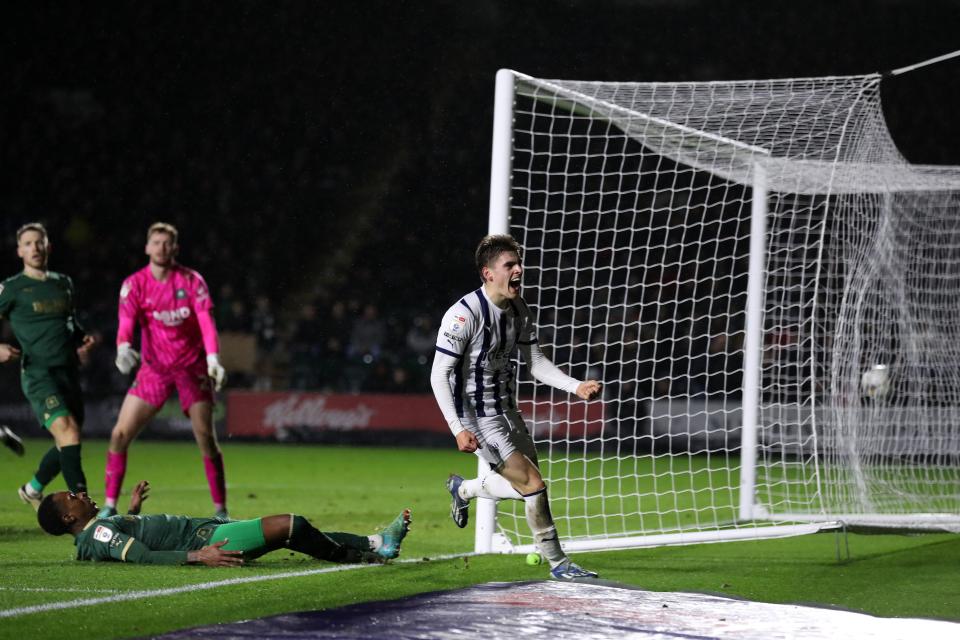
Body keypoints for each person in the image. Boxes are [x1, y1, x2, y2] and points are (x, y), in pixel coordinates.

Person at [430, 234, 603, 581]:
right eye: (510, 265)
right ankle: (558, 563)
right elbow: (439, 375)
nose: (519, 270)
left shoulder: (519, 309)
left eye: (519, 263)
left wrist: (576, 386)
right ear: (488, 273)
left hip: (509, 411)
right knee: (533, 485)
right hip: (477, 418)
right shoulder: (463, 316)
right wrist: (457, 428)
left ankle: (464, 489)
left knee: (531, 489)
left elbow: (535, 362)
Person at [100, 222, 229, 519]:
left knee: (205, 437)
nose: (161, 248)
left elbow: (206, 322)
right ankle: (109, 505)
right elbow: (126, 322)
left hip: (191, 368)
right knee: (119, 434)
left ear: (175, 248)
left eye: (167, 243)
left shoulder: (192, 281)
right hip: (154, 370)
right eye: (156, 242)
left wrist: (212, 359)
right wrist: (122, 347)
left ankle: (221, 510)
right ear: (147, 247)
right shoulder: (135, 284)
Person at [37, 480, 412, 566]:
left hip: (207, 530)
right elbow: (142, 556)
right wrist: (198, 557)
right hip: (208, 539)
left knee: (296, 534)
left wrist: (132, 510)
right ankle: (358, 554)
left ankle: (377, 543)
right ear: (70, 518)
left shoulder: (98, 528)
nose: (79, 493)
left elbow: (114, 536)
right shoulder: (98, 532)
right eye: (72, 497)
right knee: (291, 525)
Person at [0, 223, 97, 507]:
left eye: (39, 242)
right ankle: (83, 507)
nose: (35, 248)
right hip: (39, 374)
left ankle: (32, 489)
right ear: (19, 251)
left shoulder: (63, 283)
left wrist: (82, 337)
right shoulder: (12, 288)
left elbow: (68, 320)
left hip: (69, 372)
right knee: (69, 432)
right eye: (28, 243)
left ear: (48, 247)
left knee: (67, 441)